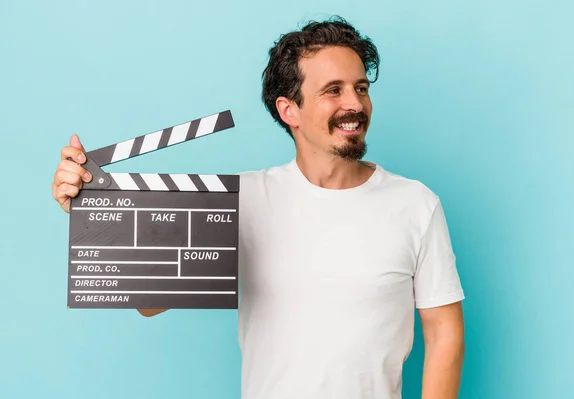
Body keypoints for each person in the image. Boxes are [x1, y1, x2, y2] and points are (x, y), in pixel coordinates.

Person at [51, 16, 465, 399]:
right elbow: (150, 301)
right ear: (290, 110)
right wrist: (93, 211)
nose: (354, 103)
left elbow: (444, 331)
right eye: (333, 90)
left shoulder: (415, 204)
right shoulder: (242, 201)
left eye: (361, 87)